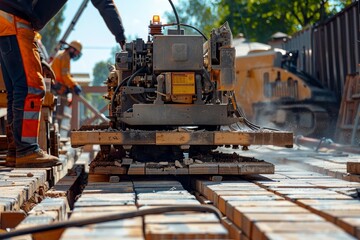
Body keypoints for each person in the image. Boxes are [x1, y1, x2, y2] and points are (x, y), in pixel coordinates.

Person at [0, 1, 126, 168]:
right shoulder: (64, 56)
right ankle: (26, 150)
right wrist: (121, 38)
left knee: (16, 90)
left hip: (7, 20)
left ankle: (15, 150)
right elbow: (105, 3)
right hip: (15, 20)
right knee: (31, 90)